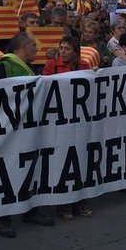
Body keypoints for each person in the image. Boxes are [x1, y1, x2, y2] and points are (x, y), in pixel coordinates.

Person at [0, 32, 55, 237]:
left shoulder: (27, 67)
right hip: (9, 129)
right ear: (23, 46)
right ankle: (2, 218)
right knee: (7, 172)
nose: (37, 48)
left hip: (28, 127)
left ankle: (30, 209)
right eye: (33, 44)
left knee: (30, 168)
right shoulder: (5, 65)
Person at [41, 37, 92, 220]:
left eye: (67, 49)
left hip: (79, 119)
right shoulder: (51, 65)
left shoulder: (84, 66)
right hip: (60, 120)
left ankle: (80, 201)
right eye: (61, 48)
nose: (63, 51)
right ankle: (63, 203)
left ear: (75, 51)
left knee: (81, 160)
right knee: (62, 161)